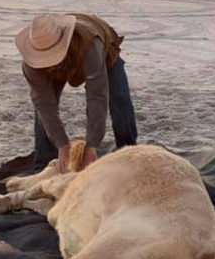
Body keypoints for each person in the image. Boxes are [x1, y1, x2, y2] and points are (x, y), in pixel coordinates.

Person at [16, 13, 138, 172]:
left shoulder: (91, 46)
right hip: (61, 63)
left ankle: (129, 153)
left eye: (52, 56)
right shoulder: (32, 64)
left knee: (120, 99)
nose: (48, 60)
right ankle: (44, 163)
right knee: (43, 110)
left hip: (104, 53)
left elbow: (96, 96)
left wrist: (92, 145)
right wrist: (62, 144)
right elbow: (44, 105)